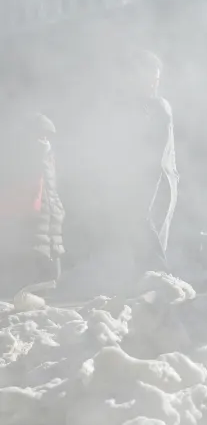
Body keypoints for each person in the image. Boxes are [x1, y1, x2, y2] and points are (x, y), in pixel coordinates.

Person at [61, 49, 179, 291]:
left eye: (155, 79)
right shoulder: (133, 106)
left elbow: (153, 154)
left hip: (157, 180)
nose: (153, 84)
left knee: (144, 225)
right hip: (140, 179)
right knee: (135, 231)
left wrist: (141, 189)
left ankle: (160, 281)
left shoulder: (158, 107)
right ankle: (148, 283)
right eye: (148, 78)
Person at [0, 113, 64, 295]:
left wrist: (58, 210)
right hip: (33, 230)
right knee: (32, 281)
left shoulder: (49, 159)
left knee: (52, 278)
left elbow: (51, 190)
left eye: (47, 136)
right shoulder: (21, 157)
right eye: (40, 135)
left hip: (51, 228)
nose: (44, 140)